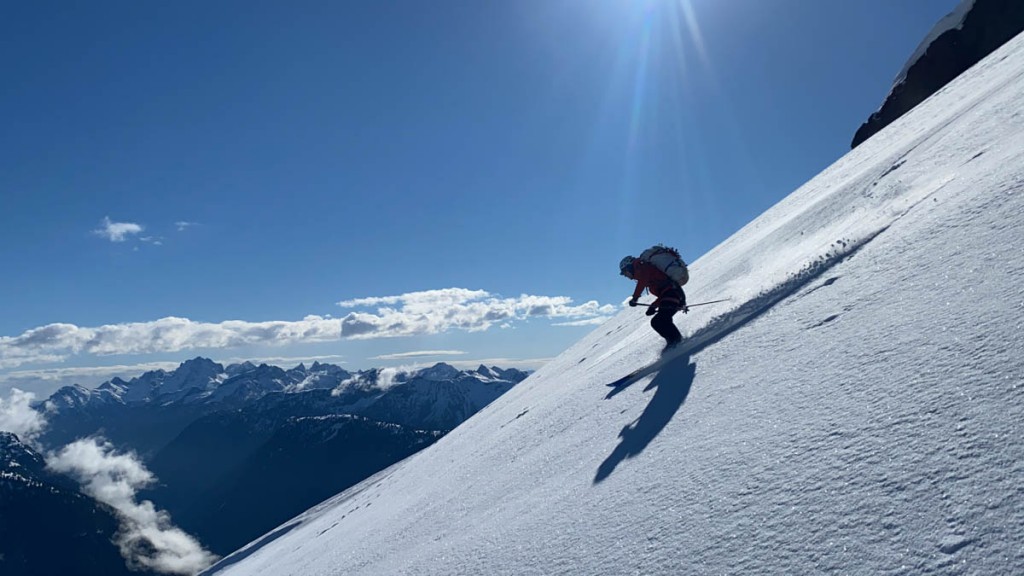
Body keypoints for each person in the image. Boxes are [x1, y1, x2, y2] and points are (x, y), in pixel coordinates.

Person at [620, 255, 688, 350]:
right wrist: (653, 306)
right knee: (658, 321)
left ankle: (676, 341)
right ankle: (673, 341)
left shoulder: (642, 267)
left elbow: (643, 282)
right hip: (672, 295)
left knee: (660, 320)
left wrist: (635, 298)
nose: (626, 276)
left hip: (673, 294)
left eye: (625, 273)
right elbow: (662, 295)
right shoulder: (648, 277)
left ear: (629, 267)